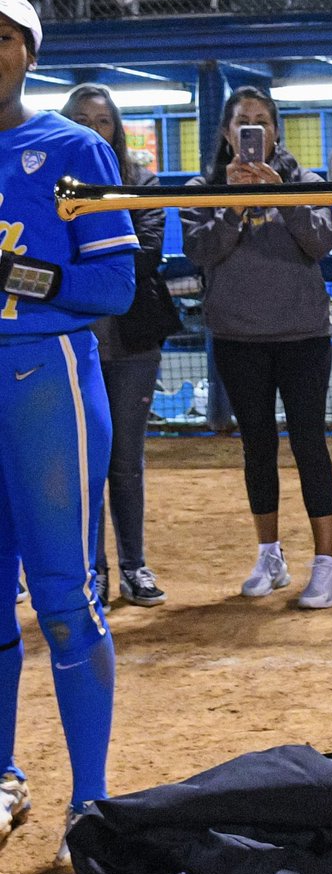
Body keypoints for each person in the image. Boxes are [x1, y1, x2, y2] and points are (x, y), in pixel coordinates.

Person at [0, 0, 137, 862]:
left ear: (29, 53)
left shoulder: (73, 149)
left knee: (62, 596)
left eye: (3, 37)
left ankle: (89, 800)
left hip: (44, 381)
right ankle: (0, 773)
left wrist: (17, 276)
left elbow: (112, 291)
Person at [180, 86, 332, 608]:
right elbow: (201, 251)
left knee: (310, 444)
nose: (253, 129)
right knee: (257, 448)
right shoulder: (202, 187)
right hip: (237, 337)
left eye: (263, 121)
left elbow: (320, 243)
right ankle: (269, 554)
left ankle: (325, 563)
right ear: (227, 133)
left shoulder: (308, 182)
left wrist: (281, 198)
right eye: (242, 121)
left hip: (303, 336)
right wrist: (233, 206)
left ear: (275, 131)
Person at [61, 83, 175, 610]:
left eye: (102, 121)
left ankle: (134, 566)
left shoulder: (143, 184)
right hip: (70, 344)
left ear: (117, 130)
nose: (91, 128)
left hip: (132, 345)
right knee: (81, 465)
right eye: (80, 119)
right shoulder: (52, 190)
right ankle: (94, 572)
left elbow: (141, 259)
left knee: (125, 461)